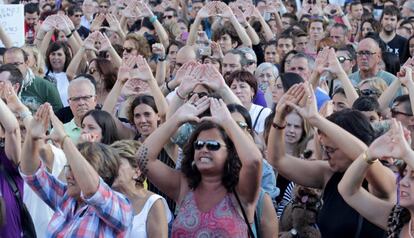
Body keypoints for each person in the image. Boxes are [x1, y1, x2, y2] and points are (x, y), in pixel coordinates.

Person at [268, 83, 395, 238]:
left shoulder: (383, 179)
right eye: (324, 148)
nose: (325, 156)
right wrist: (279, 118)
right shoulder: (328, 172)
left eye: (331, 150)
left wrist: (316, 119)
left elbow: (364, 154)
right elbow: (277, 160)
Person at [136, 96, 262, 236]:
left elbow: (254, 161)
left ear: (230, 153)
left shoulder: (241, 191)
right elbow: (142, 158)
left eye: (212, 145)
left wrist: (228, 122)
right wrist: (176, 119)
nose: (204, 149)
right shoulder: (184, 185)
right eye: (199, 145)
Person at [20, 103, 133, 236]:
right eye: (69, 168)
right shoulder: (68, 198)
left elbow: (92, 190)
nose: (69, 175)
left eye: (76, 170)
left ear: (102, 172)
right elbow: (32, 174)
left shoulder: (120, 206)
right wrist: (32, 137)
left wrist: (64, 139)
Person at [338, 119, 414, 237]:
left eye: (413, 178)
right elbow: (348, 192)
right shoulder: (398, 219)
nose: (403, 182)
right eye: (404, 175)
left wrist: (406, 153)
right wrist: (370, 154)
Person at [111, 140, 171, 238]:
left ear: (137, 171)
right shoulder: (106, 199)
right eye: (108, 164)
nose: (110, 169)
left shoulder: (153, 203)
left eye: (116, 164)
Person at [3, 48, 63, 112]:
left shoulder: (45, 87)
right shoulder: (1, 87)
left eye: (16, 64)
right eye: (8, 65)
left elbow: (59, 117)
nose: (13, 68)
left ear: (26, 63)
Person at [227, 70, 272, 134]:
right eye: (234, 88)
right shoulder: (226, 113)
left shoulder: (264, 113)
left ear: (252, 91)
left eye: (242, 87)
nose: (238, 91)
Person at [64, 77, 97, 144]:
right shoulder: (60, 132)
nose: (81, 103)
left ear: (95, 100)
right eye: (76, 99)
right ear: (69, 103)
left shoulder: (106, 127)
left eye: (86, 97)